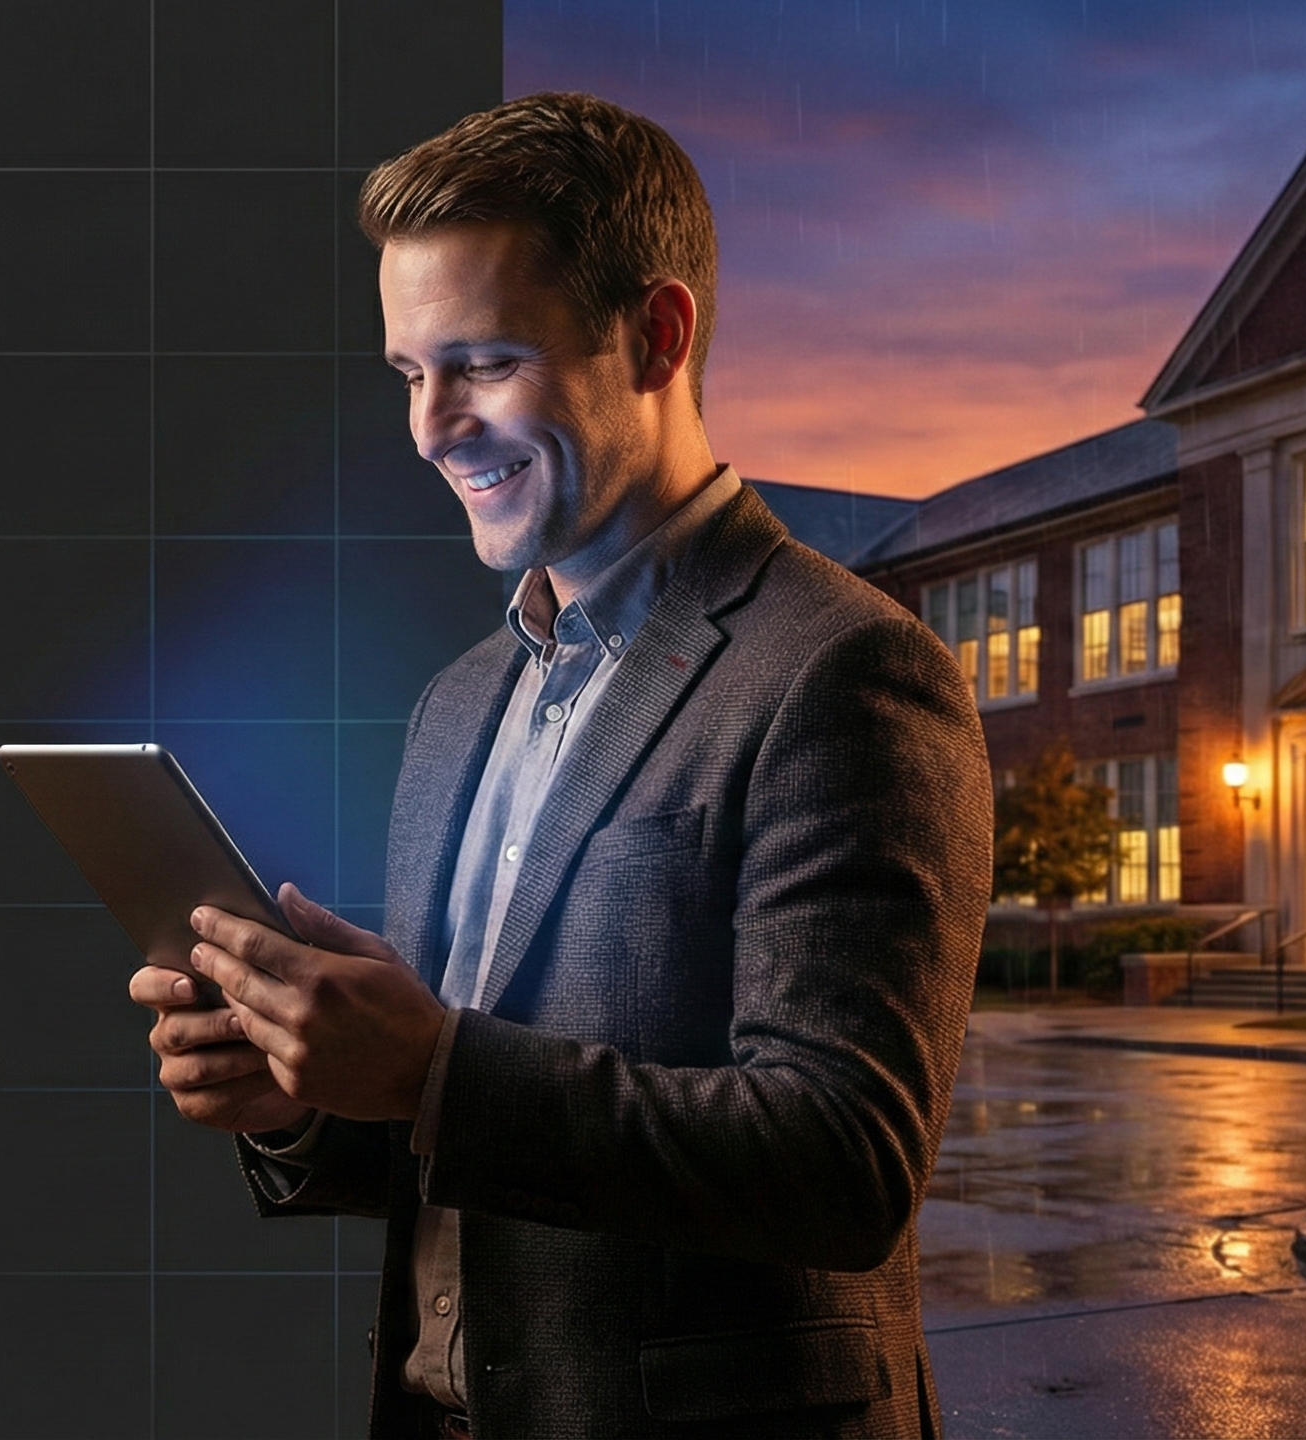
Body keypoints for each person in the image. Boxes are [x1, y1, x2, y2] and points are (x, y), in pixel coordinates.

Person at [129, 91, 994, 1438]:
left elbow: (846, 1161)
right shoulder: (459, 703)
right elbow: (467, 1133)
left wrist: (427, 1068)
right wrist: (307, 1085)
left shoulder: (844, 672)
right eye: (411, 374)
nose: (431, 429)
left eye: (481, 362)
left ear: (656, 336)